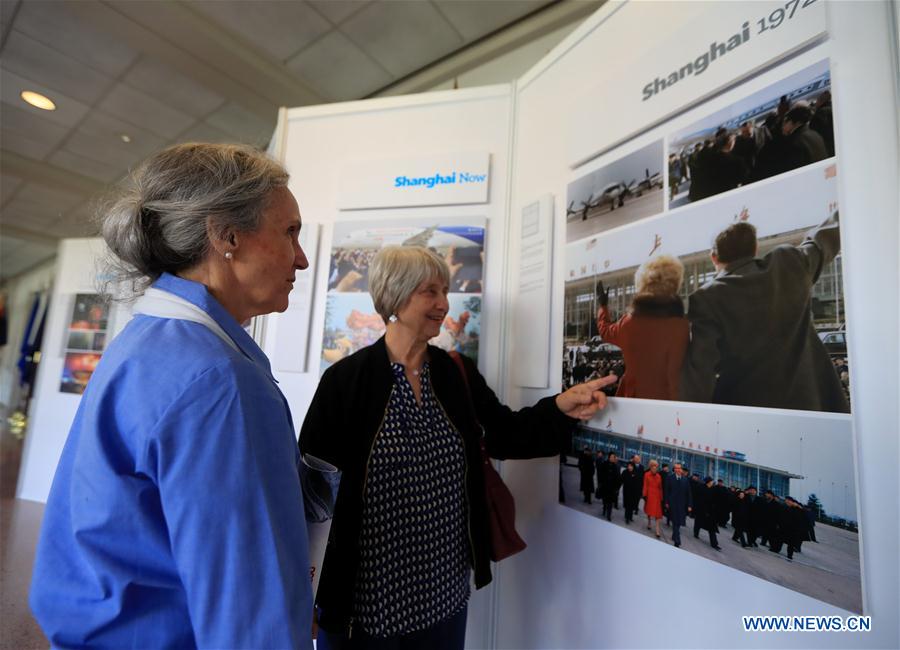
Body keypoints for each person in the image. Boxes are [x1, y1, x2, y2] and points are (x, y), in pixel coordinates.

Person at [29, 143, 315, 649]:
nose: (302, 258)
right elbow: (249, 619)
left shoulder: (147, 343)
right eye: (289, 232)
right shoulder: (219, 380)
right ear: (227, 236)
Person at [299, 245, 616, 649]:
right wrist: (305, 587)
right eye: (430, 292)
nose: (444, 304)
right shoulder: (345, 382)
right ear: (396, 296)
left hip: (444, 596)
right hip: (365, 605)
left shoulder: (454, 372)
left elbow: (505, 432)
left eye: (444, 291)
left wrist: (560, 407)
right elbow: (312, 495)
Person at [680, 211, 849, 412]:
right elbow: (822, 240)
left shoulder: (707, 298)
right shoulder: (787, 264)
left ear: (714, 257)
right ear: (755, 248)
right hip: (812, 405)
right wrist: (847, 205)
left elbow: (701, 372)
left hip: (749, 414)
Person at [596, 255, 689, 400]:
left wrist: (603, 306)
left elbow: (605, 331)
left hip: (633, 396)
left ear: (642, 282)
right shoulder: (681, 326)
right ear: (675, 283)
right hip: (668, 400)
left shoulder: (628, 323)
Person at [665, 462, 692, 547]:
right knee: (675, 521)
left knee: (678, 522)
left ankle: (674, 535)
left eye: (679, 468)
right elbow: (666, 491)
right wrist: (666, 502)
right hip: (672, 503)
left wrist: (690, 505)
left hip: (682, 505)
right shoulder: (670, 478)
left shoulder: (685, 480)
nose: (677, 470)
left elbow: (689, 494)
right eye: (676, 468)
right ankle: (677, 540)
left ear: (681, 469)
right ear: (674, 469)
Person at [694, 477, 722, 550]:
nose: (712, 482)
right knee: (698, 522)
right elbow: (698, 498)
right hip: (701, 510)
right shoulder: (701, 488)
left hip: (710, 512)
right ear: (708, 482)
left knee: (712, 527)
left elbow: (715, 500)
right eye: (712, 481)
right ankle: (696, 533)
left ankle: (714, 544)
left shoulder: (713, 489)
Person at [642, 460, 664, 538]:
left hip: (657, 497)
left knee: (658, 514)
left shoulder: (659, 476)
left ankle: (657, 530)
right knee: (649, 511)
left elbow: (660, 488)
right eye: (653, 466)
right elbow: (645, 485)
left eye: (656, 467)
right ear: (650, 467)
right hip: (649, 496)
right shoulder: (646, 474)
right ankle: (649, 522)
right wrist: (644, 495)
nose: (655, 468)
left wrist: (661, 497)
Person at [599, 452, 622, 521]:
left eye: (613, 457)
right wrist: (600, 484)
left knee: (610, 502)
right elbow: (600, 475)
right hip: (605, 486)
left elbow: (618, 478)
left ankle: (609, 515)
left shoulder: (615, 466)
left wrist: (617, 488)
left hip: (612, 488)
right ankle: (604, 509)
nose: (612, 458)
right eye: (611, 457)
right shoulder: (604, 464)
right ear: (609, 457)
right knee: (605, 500)